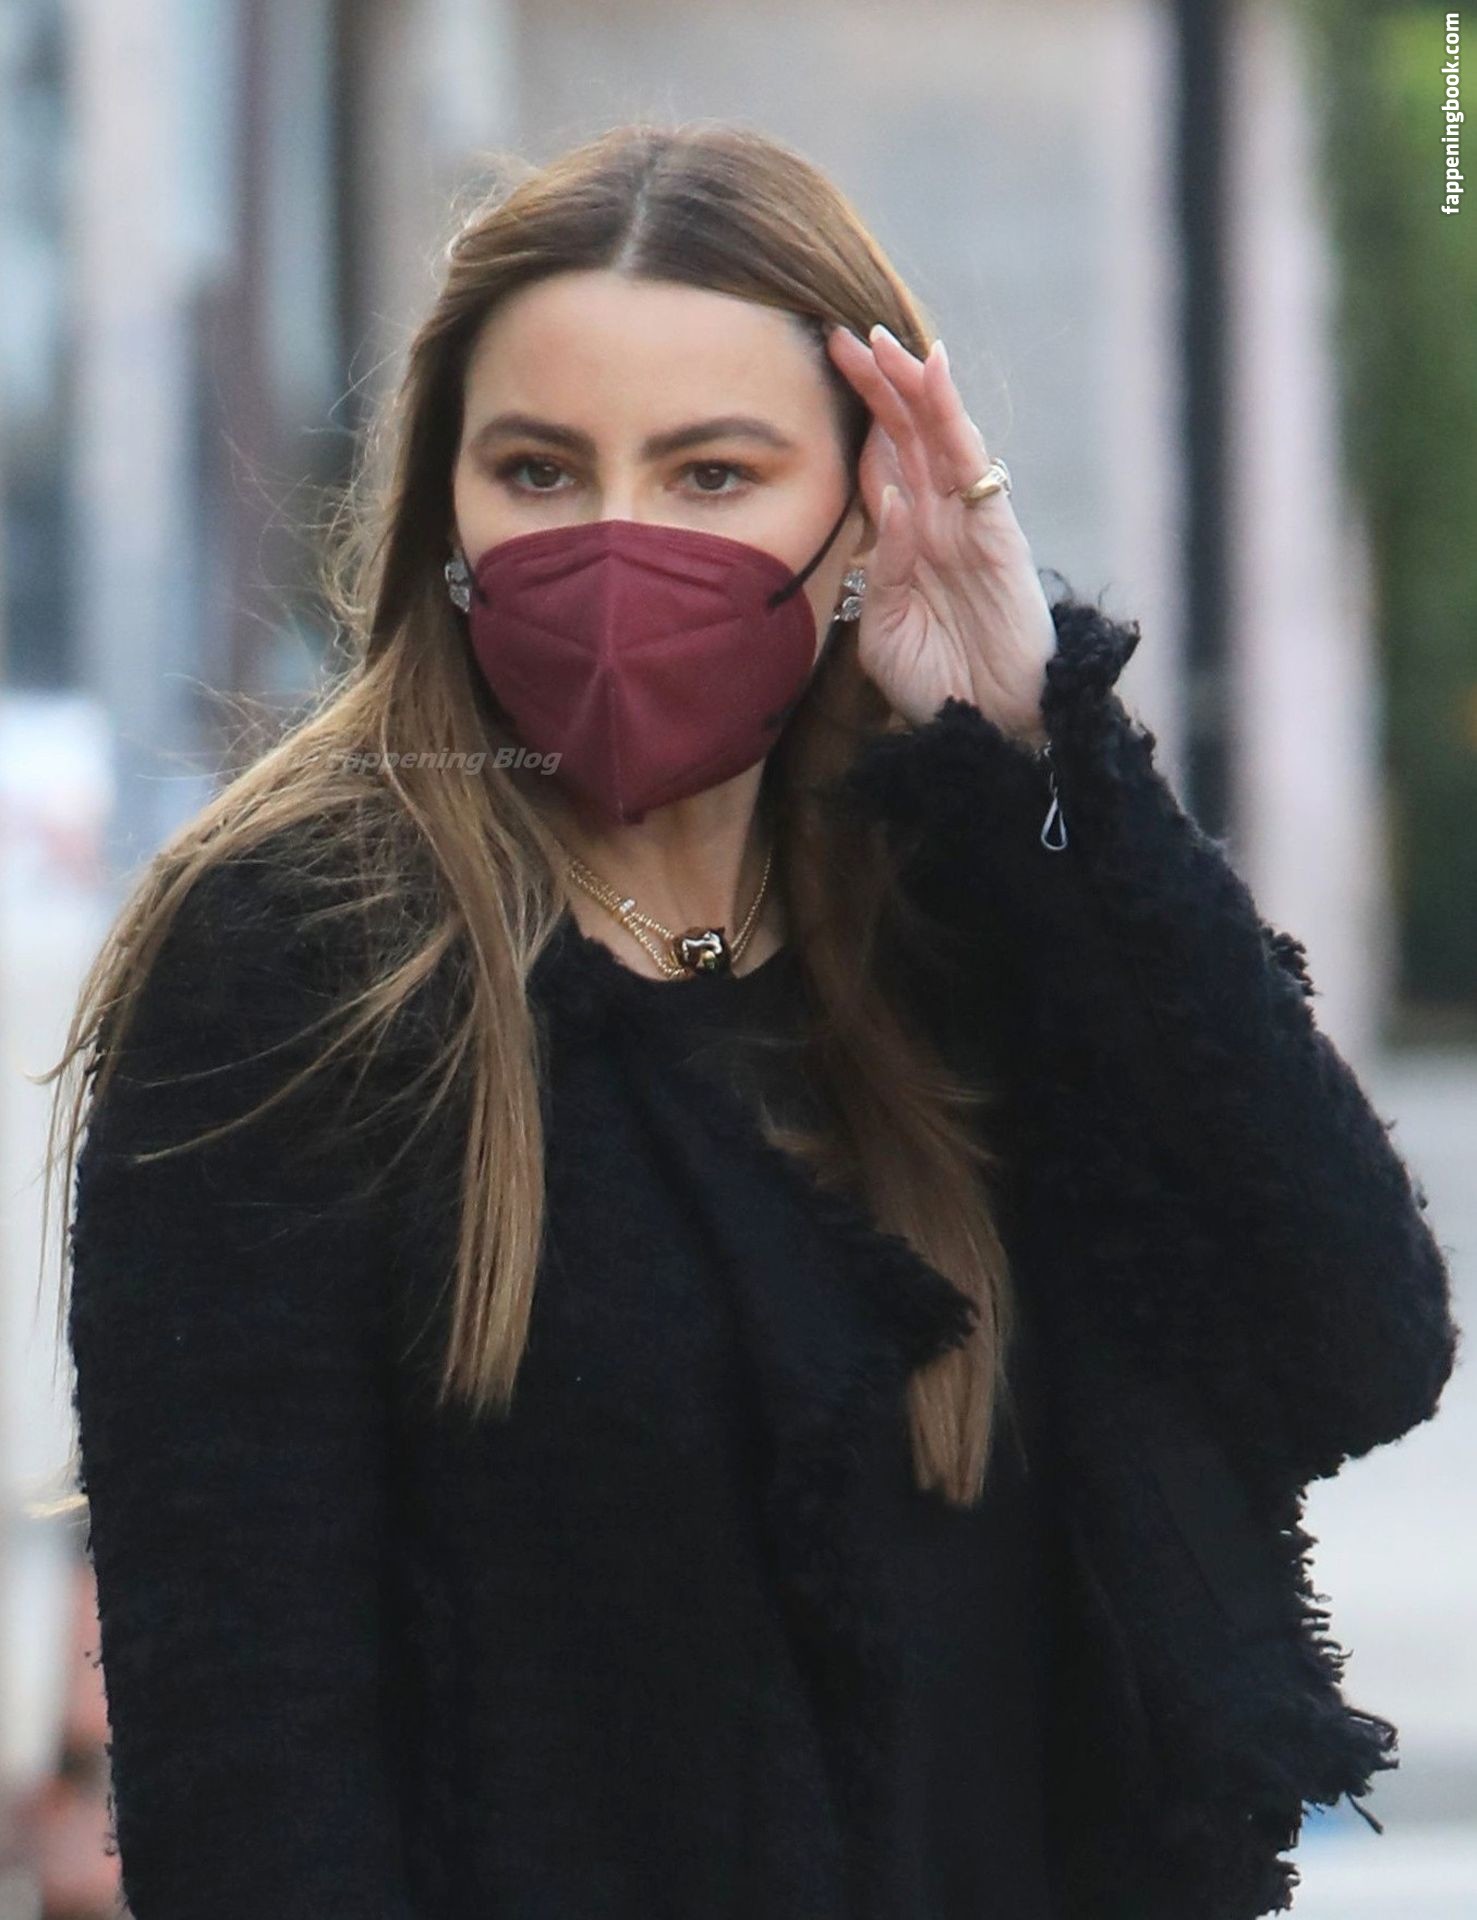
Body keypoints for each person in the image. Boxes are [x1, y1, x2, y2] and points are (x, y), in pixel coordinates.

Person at [47, 120, 1458, 1920]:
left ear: (864, 508)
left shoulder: (977, 902)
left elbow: (1353, 1335)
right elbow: (250, 1758)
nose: (618, 545)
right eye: (539, 470)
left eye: (712, 474)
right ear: (444, 512)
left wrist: (1040, 756)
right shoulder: (302, 957)